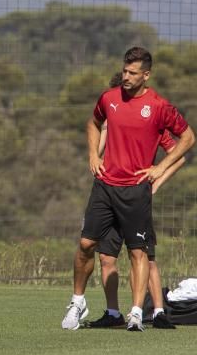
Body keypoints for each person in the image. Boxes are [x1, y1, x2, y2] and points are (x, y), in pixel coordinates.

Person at [62, 47, 194, 332]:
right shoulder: (109, 99)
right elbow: (92, 123)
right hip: (104, 187)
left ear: (146, 75)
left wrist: (160, 170)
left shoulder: (158, 106)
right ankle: (78, 302)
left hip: (135, 192)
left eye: (133, 73)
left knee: (139, 252)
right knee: (87, 245)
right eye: (124, 71)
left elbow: (187, 138)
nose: (126, 76)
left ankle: (138, 312)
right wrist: (93, 156)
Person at [86, 71, 185, 330]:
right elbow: (97, 151)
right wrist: (101, 142)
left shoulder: (151, 116)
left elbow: (179, 154)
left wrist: (157, 180)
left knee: (143, 255)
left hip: (134, 195)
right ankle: (113, 312)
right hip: (109, 192)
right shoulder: (111, 116)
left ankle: (158, 310)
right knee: (106, 256)